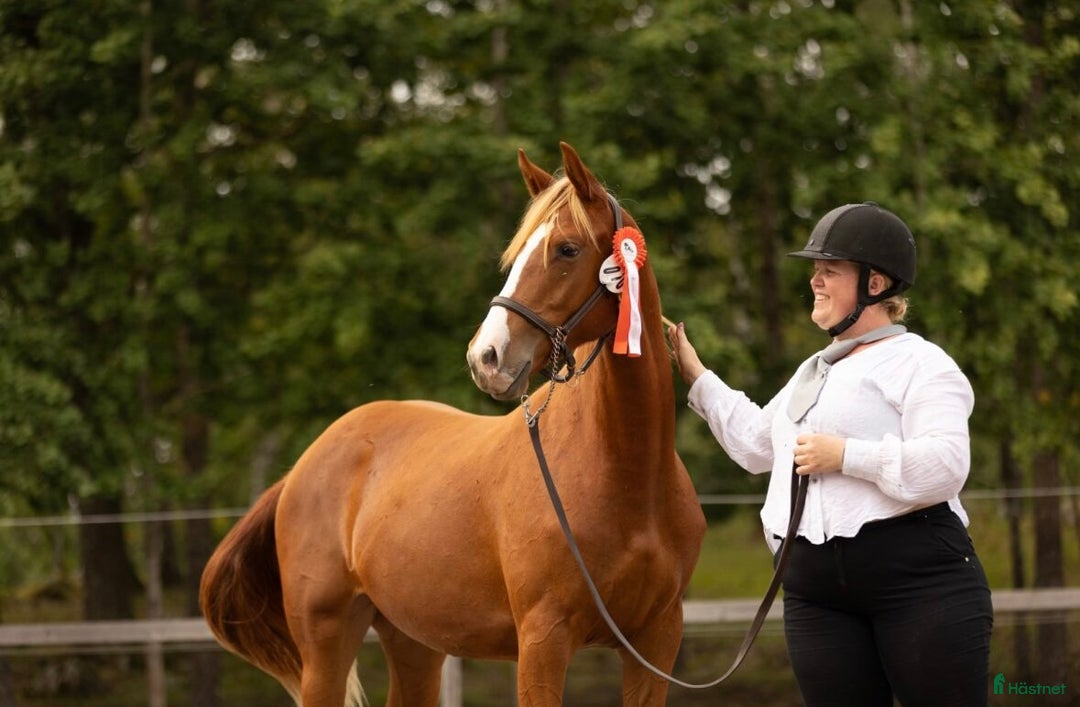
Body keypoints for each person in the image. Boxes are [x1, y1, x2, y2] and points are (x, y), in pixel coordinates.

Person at [668, 202, 993, 706]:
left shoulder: (924, 364)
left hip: (918, 582)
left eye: (829, 271)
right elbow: (757, 444)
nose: (815, 281)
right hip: (817, 592)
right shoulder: (815, 369)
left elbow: (947, 465)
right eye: (815, 272)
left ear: (876, 285)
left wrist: (845, 456)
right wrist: (697, 376)